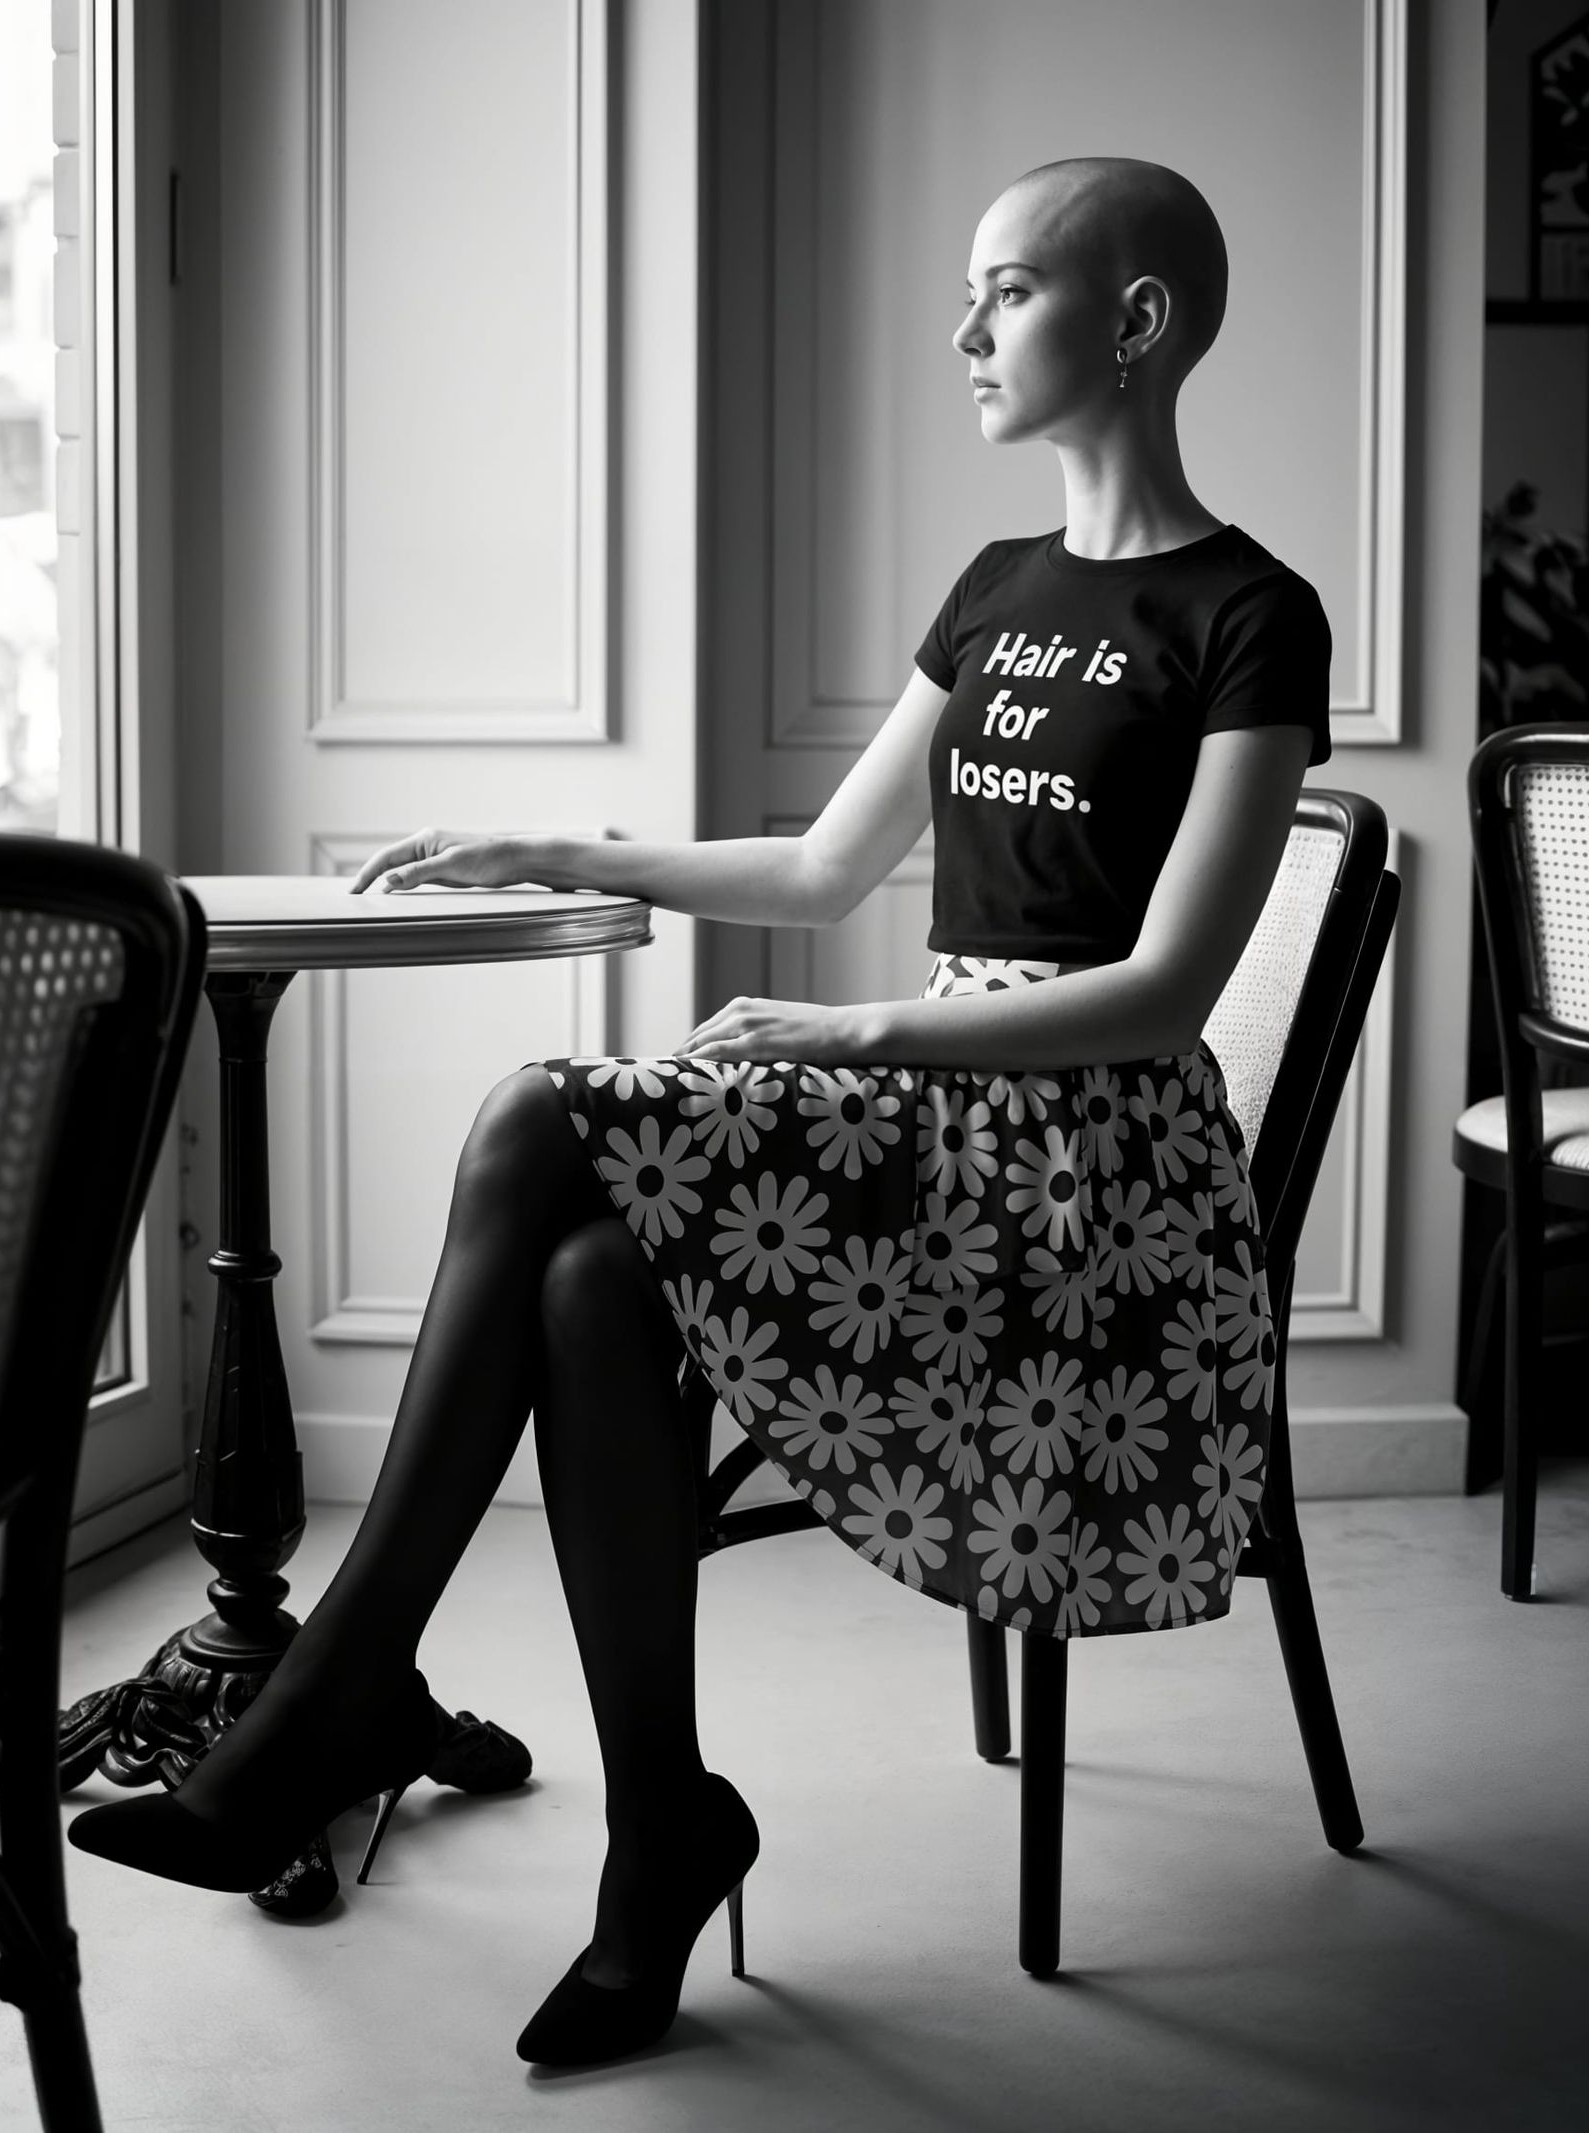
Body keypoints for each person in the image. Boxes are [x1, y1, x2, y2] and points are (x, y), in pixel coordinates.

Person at [68, 154, 1331, 2068]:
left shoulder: (1253, 614)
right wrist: (552, 840)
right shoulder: (997, 592)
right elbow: (829, 863)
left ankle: (340, 1697)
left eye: (1009, 291)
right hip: (934, 1133)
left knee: (529, 1117)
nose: (967, 330)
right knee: (588, 1286)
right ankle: (654, 1829)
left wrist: (865, 1044)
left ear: (1136, 324)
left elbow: (1160, 995)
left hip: (1089, 1193)